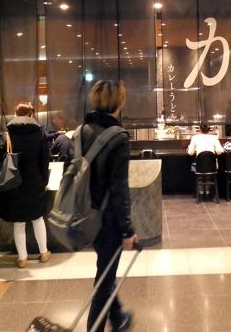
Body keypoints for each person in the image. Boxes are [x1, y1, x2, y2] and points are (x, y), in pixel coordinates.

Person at [82, 80, 138, 332]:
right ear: (120, 102)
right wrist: (127, 229)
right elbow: (118, 188)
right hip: (108, 222)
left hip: (87, 214)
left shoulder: (83, 130)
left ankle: (117, 317)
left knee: (105, 270)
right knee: (103, 282)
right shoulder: (118, 137)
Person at [0, 102, 51, 268]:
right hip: (34, 181)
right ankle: (44, 253)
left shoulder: (8, 134)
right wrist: (44, 181)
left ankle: (22, 258)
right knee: (37, 218)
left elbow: (0, 157)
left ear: (15, 113)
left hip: (14, 182)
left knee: (18, 222)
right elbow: (44, 160)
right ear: (31, 114)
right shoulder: (39, 133)